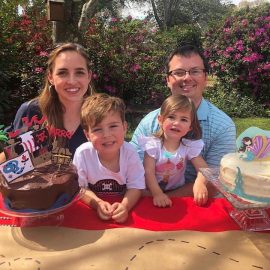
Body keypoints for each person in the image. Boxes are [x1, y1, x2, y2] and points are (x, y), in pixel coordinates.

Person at [130, 44, 236, 197]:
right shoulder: (150, 122)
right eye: (179, 72)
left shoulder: (223, 126)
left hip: (199, 207)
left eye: (195, 71)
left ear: (205, 78)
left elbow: (216, 182)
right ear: (167, 80)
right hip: (151, 202)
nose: (187, 77)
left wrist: (166, 199)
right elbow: (134, 172)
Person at [5, 42, 93, 157]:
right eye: (62, 73)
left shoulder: (101, 115)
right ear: (51, 77)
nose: (72, 81)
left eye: (79, 72)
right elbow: (12, 160)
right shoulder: (31, 111)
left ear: (89, 76)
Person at [73, 93, 145, 223]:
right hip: (92, 212)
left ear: (124, 127)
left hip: (124, 203)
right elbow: (80, 188)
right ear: (87, 134)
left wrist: (125, 206)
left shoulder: (130, 152)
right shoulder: (82, 153)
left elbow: (136, 186)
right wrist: (97, 203)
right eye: (97, 129)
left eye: (113, 126)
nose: (106, 134)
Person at [139, 94, 208, 207]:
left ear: (190, 127)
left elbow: (204, 169)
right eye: (171, 117)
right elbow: (148, 172)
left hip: (177, 193)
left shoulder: (188, 146)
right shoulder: (153, 145)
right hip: (150, 192)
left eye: (184, 119)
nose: (176, 123)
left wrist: (200, 183)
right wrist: (157, 194)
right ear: (160, 120)